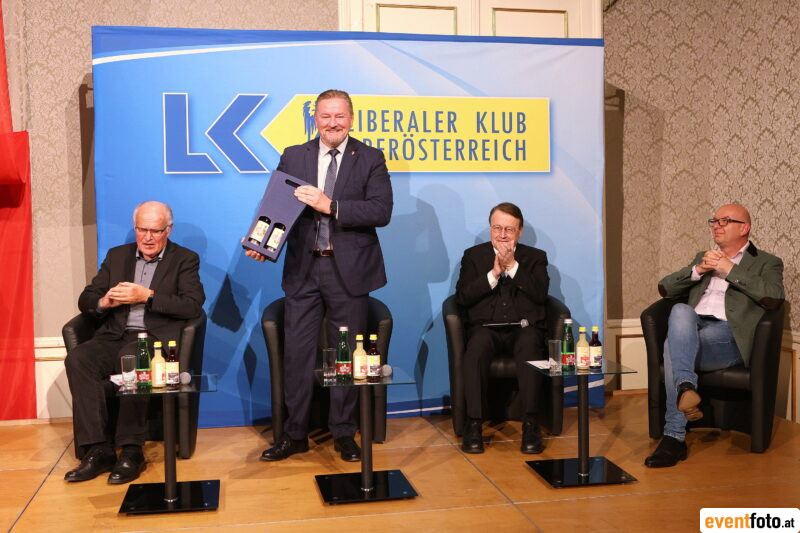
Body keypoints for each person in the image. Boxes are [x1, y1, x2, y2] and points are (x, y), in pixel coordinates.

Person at [246, 89, 392, 462]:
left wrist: (332, 206)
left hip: (349, 272)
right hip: (304, 270)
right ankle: (294, 434)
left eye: (339, 116)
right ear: (315, 119)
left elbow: (381, 210)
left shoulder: (370, 158)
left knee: (345, 355)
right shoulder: (295, 155)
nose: (333, 123)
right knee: (297, 355)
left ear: (351, 119)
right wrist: (263, 243)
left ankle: (344, 433)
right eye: (325, 116)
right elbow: (277, 205)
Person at [64, 201, 205, 483]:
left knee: (132, 358)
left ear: (168, 230)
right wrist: (104, 301)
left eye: (155, 231)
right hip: (113, 335)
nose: (148, 237)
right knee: (79, 359)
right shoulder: (117, 256)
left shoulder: (184, 259)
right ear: (135, 228)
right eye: (142, 230)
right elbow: (87, 297)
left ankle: (131, 450)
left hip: (153, 339)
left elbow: (192, 305)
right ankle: (98, 449)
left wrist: (147, 296)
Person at [644, 203, 784, 468]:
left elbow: (774, 297)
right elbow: (666, 288)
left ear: (744, 228)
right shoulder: (703, 256)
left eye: (725, 221)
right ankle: (686, 389)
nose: (716, 226)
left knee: (672, 346)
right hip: (691, 327)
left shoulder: (767, 262)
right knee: (680, 311)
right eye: (714, 221)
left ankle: (673, 436)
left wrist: (730, 269)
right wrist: (698, 270)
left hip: (727, 335)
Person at [455, 202, 549, 454]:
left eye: (509, 229)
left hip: (523, 329)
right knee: (476, 347)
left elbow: (540, 295)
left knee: (530, 343)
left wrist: (514, 267)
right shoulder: (473, 256)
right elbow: (462, 297)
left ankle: (531, 424)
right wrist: (494, 274)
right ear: (490, 229)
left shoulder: (535, 258)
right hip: (486, 329)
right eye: (497, 228)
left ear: (520, 231)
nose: (503, 234)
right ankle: (474, 424)